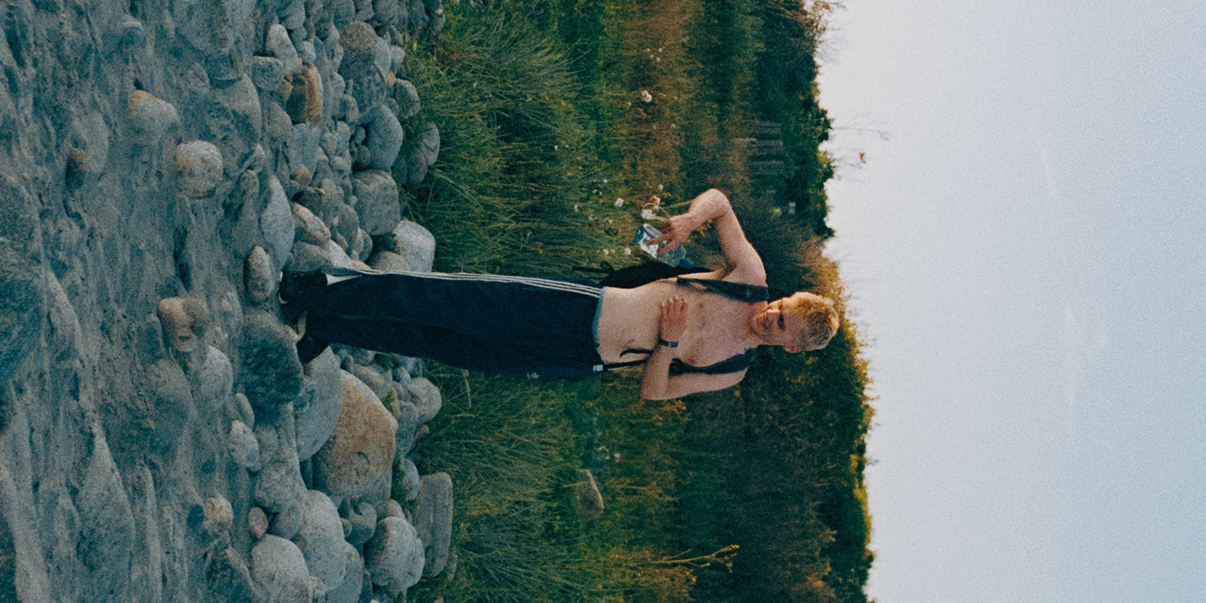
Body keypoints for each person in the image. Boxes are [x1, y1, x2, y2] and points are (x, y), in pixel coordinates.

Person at [280, 187, 839, 400]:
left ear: (789, 346)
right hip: (580, 307)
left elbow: (655, 392)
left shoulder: (732, 369)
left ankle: (332, 325)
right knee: (451, 301)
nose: (770, 316)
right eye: (782, 308)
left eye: (781, 325)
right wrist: (691, 221)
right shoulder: (748, 280)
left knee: (451, 345)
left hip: (580, 359)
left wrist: (669, 344)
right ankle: (322, 288)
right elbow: (720, 202)